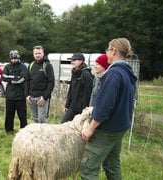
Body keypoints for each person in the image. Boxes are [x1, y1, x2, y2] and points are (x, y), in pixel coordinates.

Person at [80, 38, 137, 180]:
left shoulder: (113, 74)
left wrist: (91, 128)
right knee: (112, 165)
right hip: (120, 126)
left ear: (114, 51)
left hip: (107, 129)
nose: (107, 53)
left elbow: (106, 105)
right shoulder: (128, 73)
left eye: (108, 50)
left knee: (88, 168)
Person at [25, 45, 55, 123]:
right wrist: (27, 95)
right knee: (35, 119)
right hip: (31, 97)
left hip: (42, 98)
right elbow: (27, 81)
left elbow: (51, 82)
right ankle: (37, 135)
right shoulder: (31, 65)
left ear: (43, 53)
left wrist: (45, 97)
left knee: (42, 119)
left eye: (39, 53)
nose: (37, 55)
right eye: (36, 53)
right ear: (33, 54)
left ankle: (44, 135)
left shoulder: (47, 65)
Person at [61, 53, 93, 123]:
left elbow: (89, 92)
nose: (72, 62)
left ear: (81, 61)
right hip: (73, 106)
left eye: (74, 60)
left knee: (79, 127)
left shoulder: (86, 74)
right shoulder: (74, 72)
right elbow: (71, 90)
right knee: (63, 124)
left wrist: (85, 106)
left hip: (82, 108)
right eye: (71, 60)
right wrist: (67, 105)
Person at [2, 50, 28, 134]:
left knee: (22, 115)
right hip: (9, 95)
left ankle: (24, 130)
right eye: (12, 58)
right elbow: (4, 77)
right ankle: (9, 130)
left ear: (18, 58)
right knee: (9, 114)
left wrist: (12, 78)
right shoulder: (7, 66)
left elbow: (22, 78)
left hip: (20, 95)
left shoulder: (23, 67)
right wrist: (15, 77)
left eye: (15, 58)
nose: (14, 60)